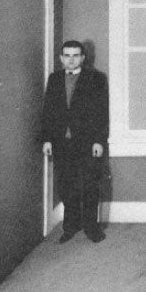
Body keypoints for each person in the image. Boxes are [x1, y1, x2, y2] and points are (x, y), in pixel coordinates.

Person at [42, 40, 109, 244]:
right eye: (67, 56)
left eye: (75, 55)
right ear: (62, 58)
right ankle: (71, 226)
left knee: (89, 185)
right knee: (66, 186)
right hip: (62, 143)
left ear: (82, 58)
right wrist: (47, 139)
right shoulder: (54, 79)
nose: (71, 60)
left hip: (87, 142)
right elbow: (48, 111)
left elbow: (101, 112)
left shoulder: (96, 79)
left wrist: (98, 141)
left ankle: (91, 228)